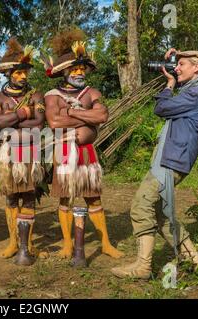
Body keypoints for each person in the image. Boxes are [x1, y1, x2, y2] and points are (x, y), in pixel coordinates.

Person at [111, 49, 198, 279]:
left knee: (141, 205)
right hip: (175, 158)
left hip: (172, 160)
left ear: (197, 67)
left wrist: (169, 85)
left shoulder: (197, 92)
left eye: (181, 64)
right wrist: (176, 67)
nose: (176, 68)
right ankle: (196, 261)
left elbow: (161, 108)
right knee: (162, 214)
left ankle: (142, 267)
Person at [43, 28, 124, 260]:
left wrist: (69, 111)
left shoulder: (92, 92)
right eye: (74, 69)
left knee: (94, 197)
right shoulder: (52, 95)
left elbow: (102, 116)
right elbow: (54, 122)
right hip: (65, 152)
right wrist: (81, 112)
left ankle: (106, 243)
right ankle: (68, 244)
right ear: (65, 71)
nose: (79, 72)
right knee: (65, 198)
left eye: (82, 68)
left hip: (87, 153)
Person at [0, 37, 46, 265]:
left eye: (26, 72)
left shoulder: (36, 95)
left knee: (29, 197)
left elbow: (40, 123)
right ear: (9, 73)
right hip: (8, 156)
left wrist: (10, 121)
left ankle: (28, 243)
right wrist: (23, 114)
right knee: (11, 198)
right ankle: (13, 241)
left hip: (31, 154)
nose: (23, 76)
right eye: (18, 72)